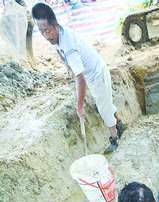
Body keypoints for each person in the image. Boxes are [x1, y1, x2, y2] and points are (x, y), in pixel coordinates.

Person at [32, 2, 125, 154]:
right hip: (93, 71)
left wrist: (79, 105)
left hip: (96, 74)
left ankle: (114, 138)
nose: (44, 35)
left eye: (47, 31)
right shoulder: (57, 35)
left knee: (103, 108)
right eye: (41, 31)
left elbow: (80, 78)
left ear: (55, 25)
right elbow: (61, 54)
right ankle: (119, 123)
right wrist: (68, 67)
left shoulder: (69, 46)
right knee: (105, 102)